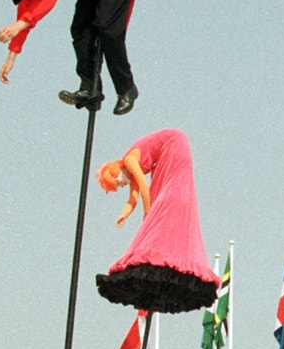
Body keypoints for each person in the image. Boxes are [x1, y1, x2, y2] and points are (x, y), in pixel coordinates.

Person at [0, 0, 138, 114]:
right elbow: (24, 12)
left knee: (107, 29)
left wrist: (19, 25)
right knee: (80, 30)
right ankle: (90, 89)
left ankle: (126, 89)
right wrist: (10, 59)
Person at [93, 129, 220, 314]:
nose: (122, 184)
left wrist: (149, 214)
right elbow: (133, 199)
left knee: (164, 196)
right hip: (172, 148)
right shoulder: (132, 170)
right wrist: (124, 214)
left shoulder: (129, 160)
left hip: (174, 143)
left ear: (116, 170)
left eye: (118, 182)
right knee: (165, 195)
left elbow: (145, 188)